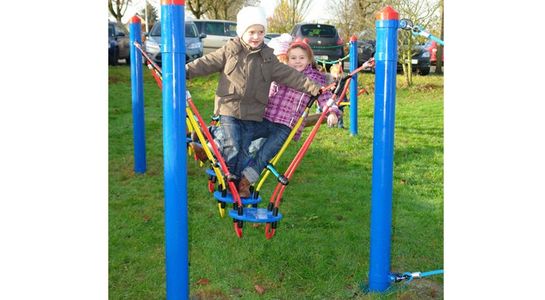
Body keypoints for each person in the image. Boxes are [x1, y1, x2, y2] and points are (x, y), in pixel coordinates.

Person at [186, 6, 323, 193]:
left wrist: (314, 87)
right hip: (230, 107)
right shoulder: (230, 50)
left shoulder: (268, 58)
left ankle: (229, 176)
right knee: (233, 144)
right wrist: (185, 71)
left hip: (254, 112)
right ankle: (230, 180)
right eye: (251, 32)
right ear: (242, 31)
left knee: (243, 149)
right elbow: (207, 62)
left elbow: (291, 75)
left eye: (261, 32)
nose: (256, 37)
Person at [236, 39, 342, 196]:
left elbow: (325, 97)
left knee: (265, 154)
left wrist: (332, 112)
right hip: (266, 117)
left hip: (285, 126)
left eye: (301, 58)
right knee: (243, 135)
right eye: (293, 58)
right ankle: (219, 151)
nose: (297, 61)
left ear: (309, 59)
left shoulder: (315, 79)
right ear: (288, 58)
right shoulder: (280, 71)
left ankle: (245, 182)